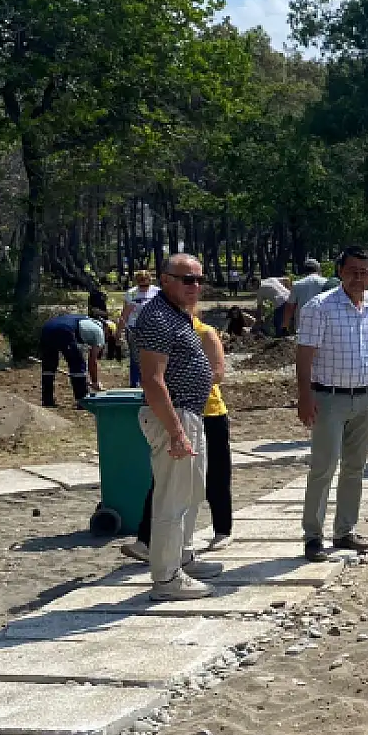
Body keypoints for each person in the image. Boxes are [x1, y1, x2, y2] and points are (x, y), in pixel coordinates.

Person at [296, 247, 368, 562]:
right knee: (323, 467)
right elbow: (304, 355)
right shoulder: (319, 307)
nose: (358, 277)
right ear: (339, 271)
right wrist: (304, 397)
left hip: (366, 398)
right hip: (328, 398)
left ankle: (344, 530)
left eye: (364, 271)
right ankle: (313, 536)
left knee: (354, 467)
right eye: (352, 270)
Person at [131, 254, 221, 601]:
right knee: (170, 500)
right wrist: (176, 432)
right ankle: (166, 580)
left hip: (188, 414)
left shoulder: (176, 315)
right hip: (175, 417)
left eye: (199, 280)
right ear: (164, 279)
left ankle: (182, 558)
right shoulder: (156, 318)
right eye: (187, 280)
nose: (195, 287)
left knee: (188, 493)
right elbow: (153, 381)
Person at [131, 301, 235, 560]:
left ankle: (222, 529)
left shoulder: (205, 333)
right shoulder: (167, 331)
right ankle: (147, 540)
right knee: (166, 481)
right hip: (177, 410)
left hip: (209, 412)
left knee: (213, 476)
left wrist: (184, 381)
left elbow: (218, 372)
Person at [38, 313, 105, 407]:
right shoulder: (100, 332)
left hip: (47, 328)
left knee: (49, 367)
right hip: (63, 330)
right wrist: (95, 382)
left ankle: (47, 400)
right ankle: (83, 400)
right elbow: (92, 360)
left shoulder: (85, 320)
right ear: (108, 330)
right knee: (77, 364)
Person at [118, 269, 159, 387]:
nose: (144, 287)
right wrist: (119, 332)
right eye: (141, 284)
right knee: (136, 357)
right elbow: (125, 314)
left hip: (152, 328)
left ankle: (153, 382)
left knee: (153, 356)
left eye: (146, 284)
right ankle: (134, 383)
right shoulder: (131, 293)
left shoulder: (157, 292)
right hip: (134, 328)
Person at [290, 258, 328, 332]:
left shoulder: (296, 284)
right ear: (318, 269)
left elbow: (290, 306)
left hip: (301, 327)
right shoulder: (326, 283)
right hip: (323, 326)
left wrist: (285, 325)